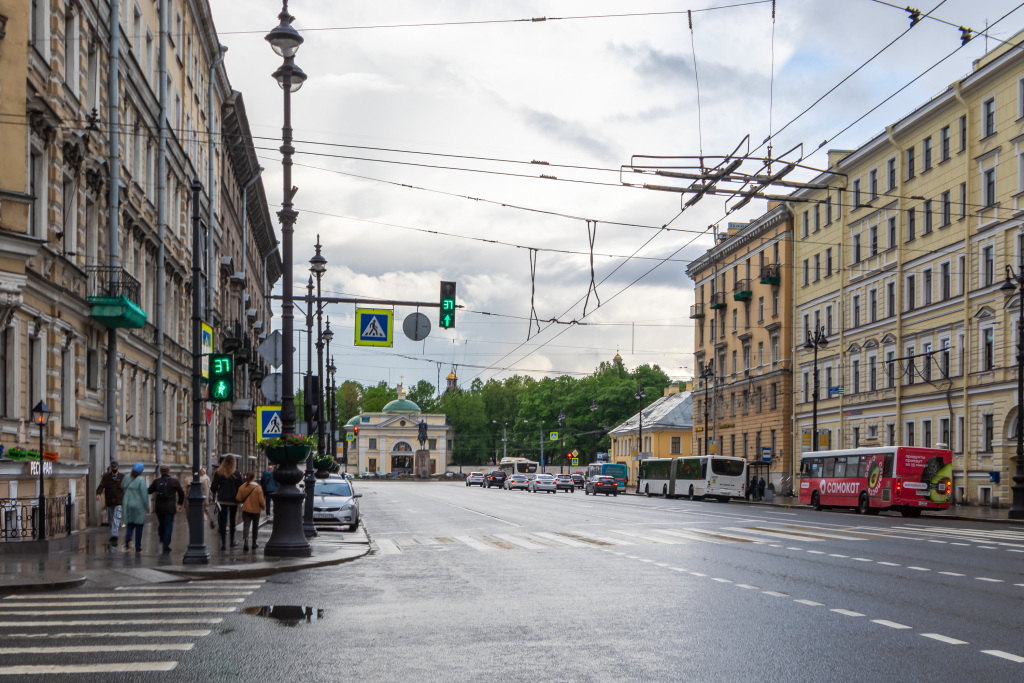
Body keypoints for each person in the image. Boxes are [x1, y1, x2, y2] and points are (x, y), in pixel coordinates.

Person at [148, 464, 185, 553]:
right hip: (170, 507)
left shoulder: (157, 481)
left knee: (161, 523)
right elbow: (181, 493)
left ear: (161, 472)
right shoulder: (174, 481)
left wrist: (155, 482)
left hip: (159, 507)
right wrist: (179, 504)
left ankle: (161, 537)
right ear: (169, 471)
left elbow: (149, 491)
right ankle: (166, 544)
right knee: (168, 525)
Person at [211, 455, 243, 550]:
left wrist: (217, 491)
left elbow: (213, 488)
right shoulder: (236, 473)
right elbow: (240, 487)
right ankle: (232, 541)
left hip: (222, 500)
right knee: (232, 521)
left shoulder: (219, 473)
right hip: (234, 500)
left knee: (222, 521)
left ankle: (223, 543)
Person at [120, 462, 150, 552]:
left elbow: (122, 486)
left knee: (130, 524)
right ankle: (137, 546)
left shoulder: (126, 477)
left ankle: (128, 537)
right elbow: (144, 494)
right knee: (139, 526)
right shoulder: (141, 480)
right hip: (139, 506)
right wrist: (147, 506)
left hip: (128, 503)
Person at [95, 461, 124, 544]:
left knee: (116, 518)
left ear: (118, 467)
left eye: (115, 467)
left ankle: (114, 535)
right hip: (109, 501)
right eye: (113, 467)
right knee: (111, 519)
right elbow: (101, 486)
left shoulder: (122, 477)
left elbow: (126, 487)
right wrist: (98, 494)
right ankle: (112, 534)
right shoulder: (106, 477)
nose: (114, 468)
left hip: (119, 501)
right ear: (111, 467)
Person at [237, 471, 266, 552]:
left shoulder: (242, 487)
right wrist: (264, 507)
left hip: (246, 509)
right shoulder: (258, 488)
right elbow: (261, 500)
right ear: (254, 477)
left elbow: (238, 498)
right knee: (255, 526)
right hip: (256, 510)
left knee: (246, 525)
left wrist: (244, 502)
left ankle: (246, 541)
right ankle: (254, 543)